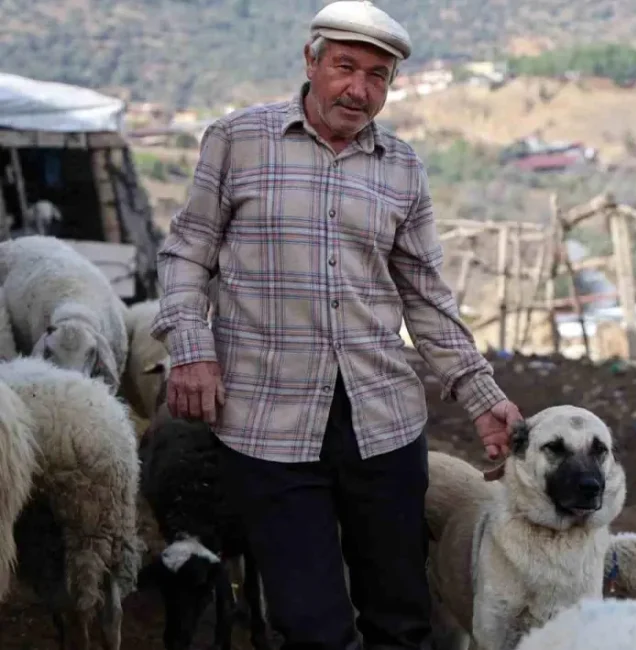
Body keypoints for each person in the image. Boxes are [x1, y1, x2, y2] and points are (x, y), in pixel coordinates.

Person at [150, 2, 522, 648]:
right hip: (269, 427)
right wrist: (191, 348)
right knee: (312, 627)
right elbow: (186, 254)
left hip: (384, 424)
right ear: (311, 61)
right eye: (346, 66)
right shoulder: (237, 141)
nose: (359, 89)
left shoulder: (402, 168)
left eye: (377, 76)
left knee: (402, 620)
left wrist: (483, 397)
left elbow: (426, 299)